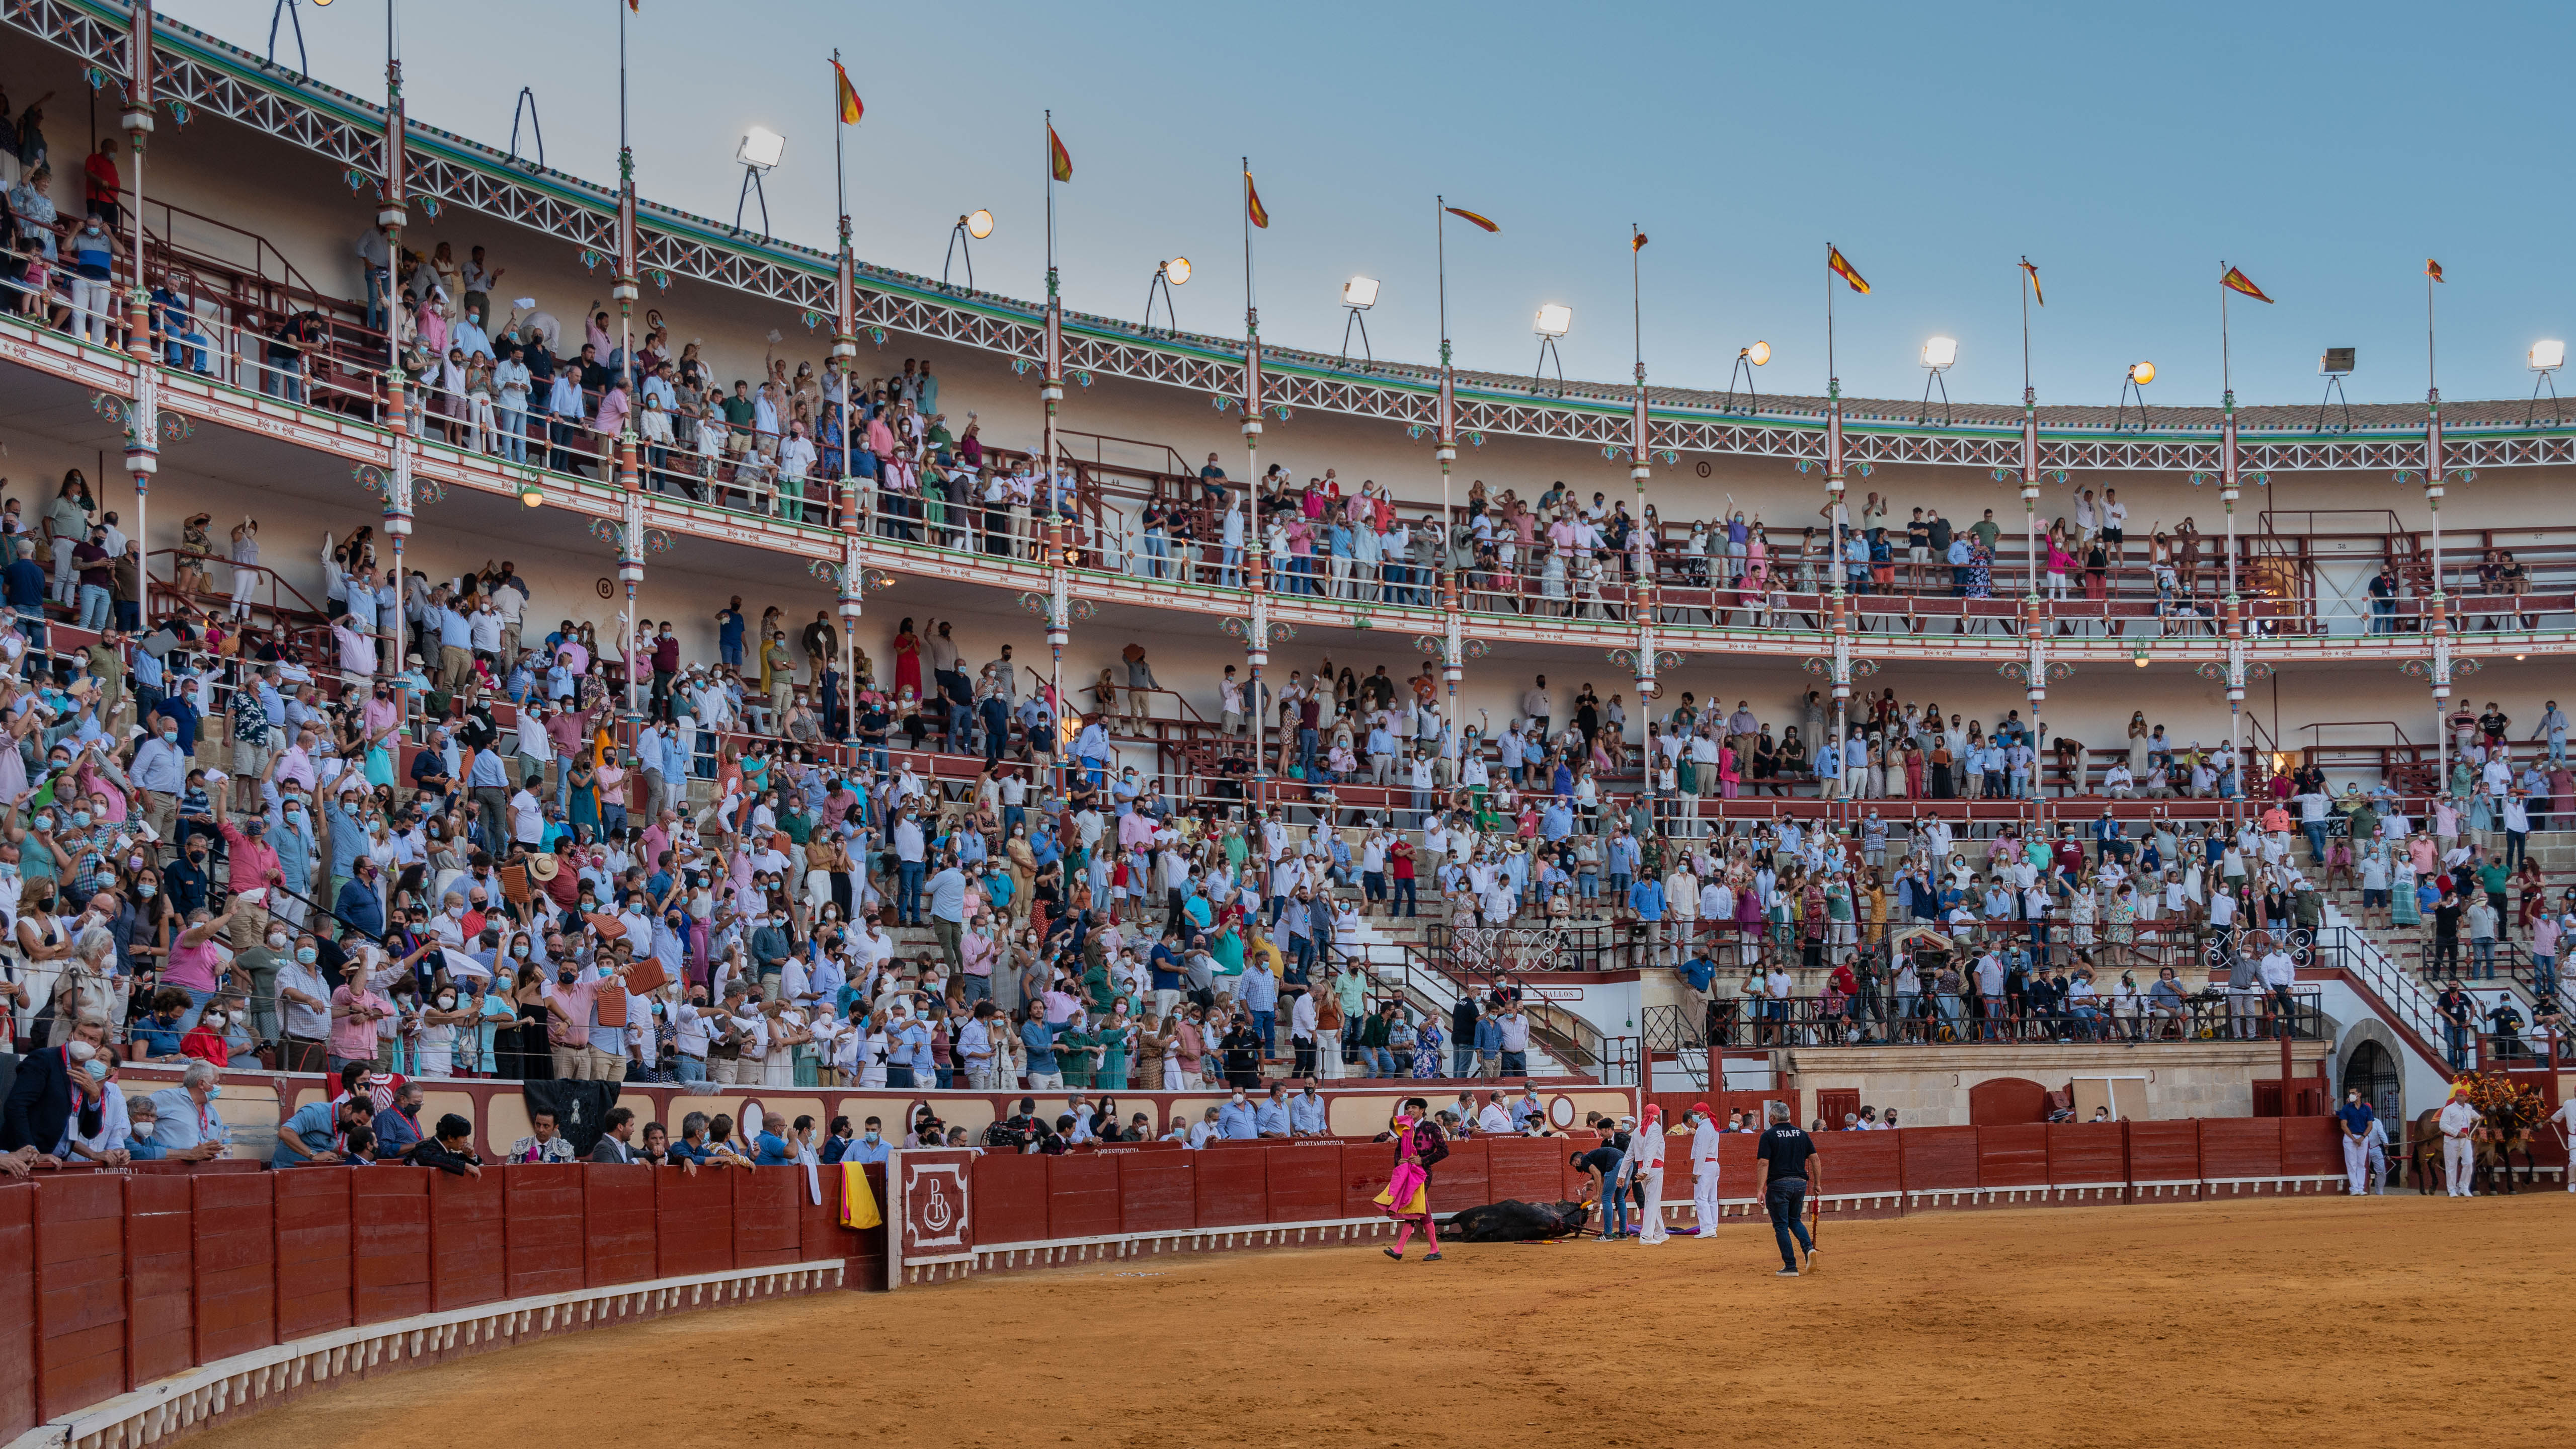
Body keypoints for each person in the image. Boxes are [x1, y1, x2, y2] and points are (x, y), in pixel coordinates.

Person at [1375, 1096, 1448, 1262]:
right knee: (1421, 1210)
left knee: (1413, 1208)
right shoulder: (1406, 1128)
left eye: (1414, 1108)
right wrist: (1399, 1161)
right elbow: (1398, 1150)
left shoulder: (1431, 1128)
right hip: (1409, 1173)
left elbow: (1444, 1151)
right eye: (1408, 1108)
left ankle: (1399, 1249)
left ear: (1422, 1110)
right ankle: (1434, 1250)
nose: (1410, 1111)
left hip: (1423, 1173)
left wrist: (1423, 1160)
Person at [1752, 1101, 1818, 1276]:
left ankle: (1790, 1266)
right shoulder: (1802, 1134)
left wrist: (1760, 1190)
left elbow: (1763, 1163)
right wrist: (1817, 1184)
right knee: (1794, 1220)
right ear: (1788, 1117)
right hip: (1800, 1183)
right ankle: (1809, 1249)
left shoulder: (1769, 1135)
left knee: (1781, 1225)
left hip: (1779, 1184)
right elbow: (1815, 1159)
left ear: (1772, 1118)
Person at [1628, 1102, 1669, 1244]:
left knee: (1653, 1201)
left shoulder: (1637, 1130)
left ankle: (1660, 1233)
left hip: (1642, 1170)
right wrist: (1646, 1170)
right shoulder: (1656, 1128)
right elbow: (1650, 1150)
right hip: (1653, 1169)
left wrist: (1622, 1174)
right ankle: (1646, 1236)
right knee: (1652, 1202)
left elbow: (1629, 1154)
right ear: (1657, 1116)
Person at [2436, 1079, 2481, 1198]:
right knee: (2451, 1165)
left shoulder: (2469, 1108)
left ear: (2466, 1097)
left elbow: (2476, 1117)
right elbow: (2443, 1125)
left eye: (2461, 1096)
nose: (2459, 1098)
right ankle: (2452, 1189)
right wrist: (2457, 1133)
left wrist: (2481, 1117)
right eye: (2457, 1096)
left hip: (2465, 1140)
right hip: (2451, 1140)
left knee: (2469, 1162)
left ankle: (2464, 1187)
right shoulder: (2448, 1109)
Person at [1687, 1101, 1722, 1237]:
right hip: (1713, 1164)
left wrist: (1696, 1172)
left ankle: (1707, 1228)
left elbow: (1701, 1153)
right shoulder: (1712, 1126)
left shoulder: (1703, 1129)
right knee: (1712, 1198)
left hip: (1706, 1165)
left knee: (1701, 1198)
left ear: (1704, 1114)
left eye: (1696, 1113)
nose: (1694, 1116)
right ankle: (1712, 1227)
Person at [2334, 1087, 2375, 1198]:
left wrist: (2362, 1137)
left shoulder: (2366, 1109)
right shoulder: (2346, 1108)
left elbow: (2370, 1125)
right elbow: (2343, 1125)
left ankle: (2360, 1188)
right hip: (2350, 1138)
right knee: (2352, 1164)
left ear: (2359, 1094)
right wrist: (2354, 1138)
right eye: (2350, 1093)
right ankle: (2354, 1189)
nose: (2351, 1095)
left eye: (2353, 1093)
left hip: (2362, 1137)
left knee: (2361, 1164)